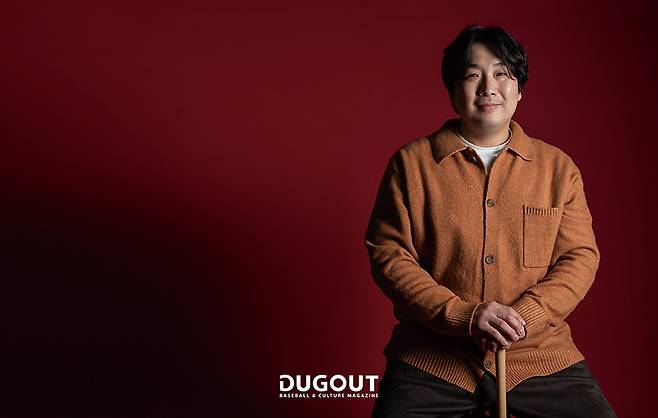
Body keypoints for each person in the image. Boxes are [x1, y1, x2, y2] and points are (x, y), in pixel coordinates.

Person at [364, 25, 616, 418]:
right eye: (472, 75)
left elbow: (580, 257)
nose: (488, 87)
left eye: (502, 74)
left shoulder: (558, 169)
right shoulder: (411, 164)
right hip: (432, 357)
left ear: (519, 90)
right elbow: (389, 255)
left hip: (537, 353)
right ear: (453, 91)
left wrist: (525, 317)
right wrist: (463, 315)